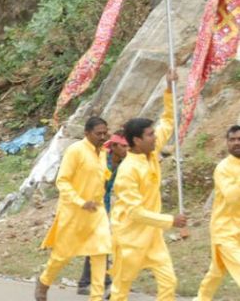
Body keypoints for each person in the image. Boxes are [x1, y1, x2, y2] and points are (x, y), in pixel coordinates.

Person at [109, 70, 187, 301]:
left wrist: (169, 89)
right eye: (150, 135)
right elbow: (135, 212)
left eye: (154, 134)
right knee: (120, 291)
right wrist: (171, 221)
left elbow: (169, 121)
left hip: (152, 237)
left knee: (169, 283)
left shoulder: (150, 152)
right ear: (136, 141)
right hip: (130, 238)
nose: (155, 137)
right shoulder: (127, 171)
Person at [36, 116, 112, 301]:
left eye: (105, 133)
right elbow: (62, 180)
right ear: (87, 133)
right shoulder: (75, 151)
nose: (103, 137)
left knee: (100, 251)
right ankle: (44, 281)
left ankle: (96, 296)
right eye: (98, 133)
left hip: (96, 212)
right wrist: (80, 201)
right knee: (62, 255)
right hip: (73, 211)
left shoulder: (103, 152)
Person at [77, 131, 128, 295]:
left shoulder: (122, 162)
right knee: (100, 240)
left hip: (103, 203)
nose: (127, 149)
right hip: (89, 202)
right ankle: (98, 281)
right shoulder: (100, 159)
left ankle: (89, 282)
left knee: (99, 242)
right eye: (124, 146)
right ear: (114, 146)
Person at [194, 125, 240, 300]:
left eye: (239, 139)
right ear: (227, 143)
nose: (236, 143)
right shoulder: (223, 168)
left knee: (216, 272)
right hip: (225, 231)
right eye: (232, 140)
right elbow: (232, 197)